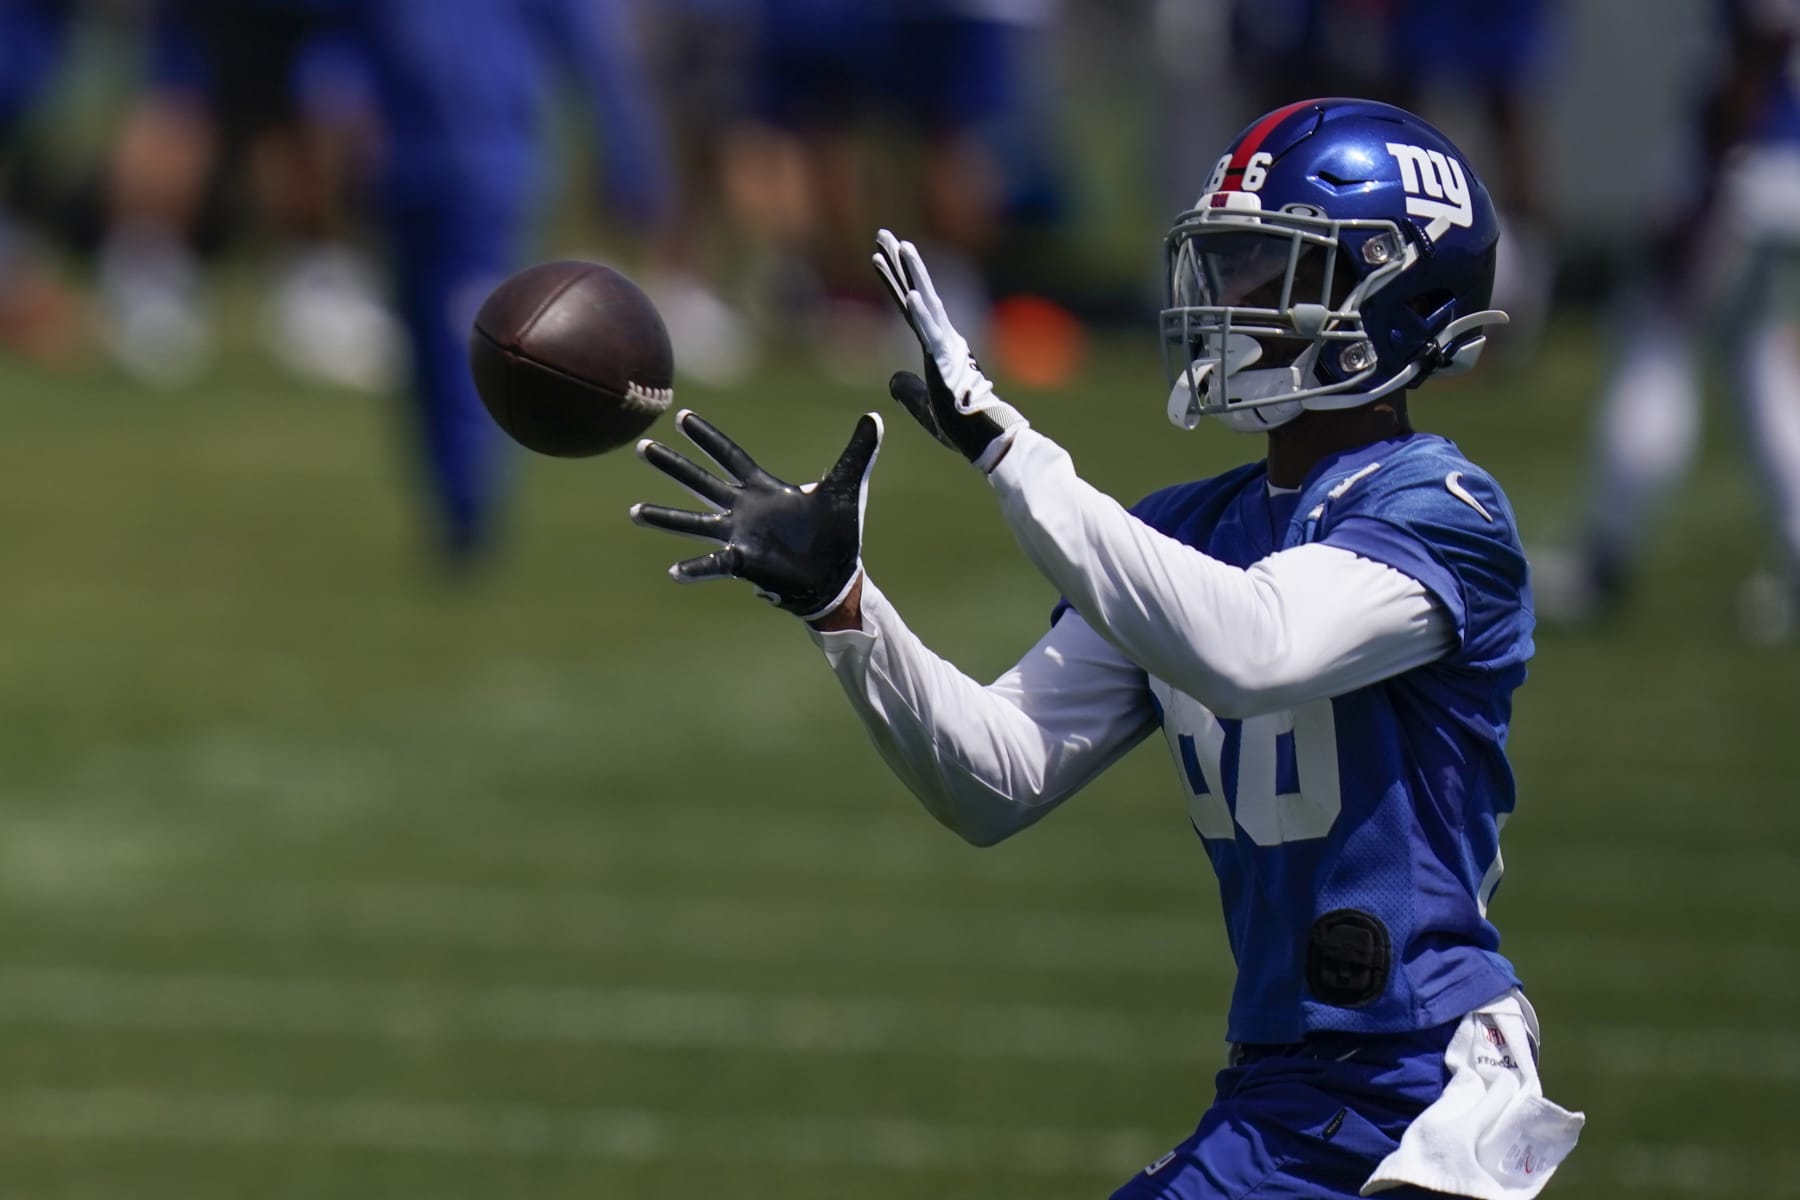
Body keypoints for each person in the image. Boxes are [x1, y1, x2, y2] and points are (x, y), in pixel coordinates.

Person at [630, 98, 1584, 1199]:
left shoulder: (1443, 511)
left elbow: (1254, 647)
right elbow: (995, 777)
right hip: (1287, 1092)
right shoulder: (1187, 530)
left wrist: (1005, 447)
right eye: (1228, 266)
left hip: (1426, 1089)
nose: (1229, 304)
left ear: (1395, 298)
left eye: (1277, 272)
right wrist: (842, 604)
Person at [1538, 0, 1800, 642]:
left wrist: (1708, 181)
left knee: (1655, 348)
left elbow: (1763, 37)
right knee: (1759, 365)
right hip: (1776, 177)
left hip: (1746, 173)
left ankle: (1604, 555)